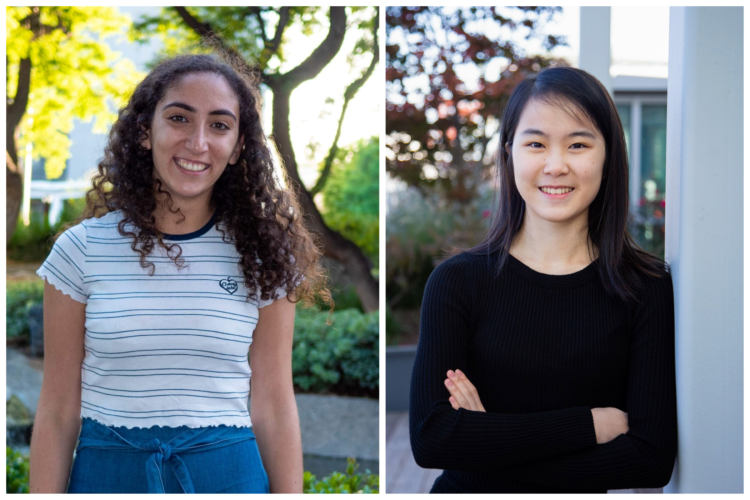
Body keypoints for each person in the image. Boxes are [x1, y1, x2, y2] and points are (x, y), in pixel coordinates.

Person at [29, 52, 329, 493]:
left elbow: (273, 403)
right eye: (179, 118)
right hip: (108, 476)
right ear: (145, 131)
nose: (198, 142)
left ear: (238, 148)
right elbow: (57, 409)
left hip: (229, 477)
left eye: (220, 125)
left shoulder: (264, 257)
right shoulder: (80, 251)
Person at [409, 66, 677, 493]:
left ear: (608, 157)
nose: (555, 165)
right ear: (509, 153)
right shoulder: (457, 282)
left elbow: (649, 458)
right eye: (536, 143)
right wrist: (588, 424)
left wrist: (488, 442)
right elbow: (432, 439)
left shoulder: (645, 287)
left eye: (578, 144)